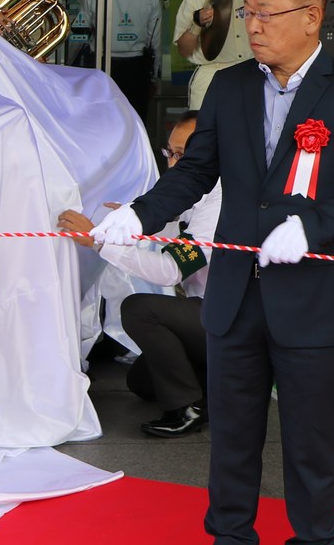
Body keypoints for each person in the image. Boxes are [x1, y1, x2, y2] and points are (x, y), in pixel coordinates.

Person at [92, 0, 334, 545]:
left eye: (266, 14)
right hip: (234, 294)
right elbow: (196, 173)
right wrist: (140, 214)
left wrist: (314, 224)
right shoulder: (229, 86)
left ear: (311, 16)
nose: (252, 26)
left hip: (312, 296)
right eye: (247, 13)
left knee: (310, 448)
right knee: (231, 442)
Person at [60, 112, 218, 437]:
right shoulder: (196, 193)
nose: (173, 164)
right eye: (170, 153)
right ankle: (217, 389)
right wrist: (129, 221)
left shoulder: (219, 200)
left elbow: (170, 270)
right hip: (205, 315)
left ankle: (188, 407)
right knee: (141, 382)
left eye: (182, 155)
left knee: (139, 308)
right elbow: (175, 230)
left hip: (231, 320)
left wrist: (99, 243)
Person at [172, 0, 258, 112]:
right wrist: (197, 24)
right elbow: (184, 50)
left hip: (253, 74)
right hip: (211, 75)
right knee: (204, 129)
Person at [79, 0, 162, 119]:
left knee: (102, 122)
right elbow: (155, 42)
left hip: (100, 66)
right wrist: (153, 77)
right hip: (136, 69)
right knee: (134, 122)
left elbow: (80, 35)